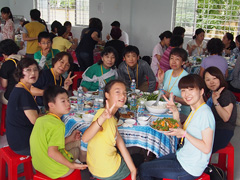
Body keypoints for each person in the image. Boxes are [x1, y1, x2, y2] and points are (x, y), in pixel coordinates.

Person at [139, 74, 215, 180]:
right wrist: (175, 111)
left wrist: (185, 134)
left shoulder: (205, 114)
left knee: (144, 169)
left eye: (191, 89)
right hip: (182, 156)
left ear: (201, 91)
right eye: (183, 90)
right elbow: (181, 131)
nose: (186, 94)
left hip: (189, 168)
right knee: (150, 165)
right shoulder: (196, 110)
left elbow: (206, 148)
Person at [82, 79, 137, 180]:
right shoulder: (102, 114)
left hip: (95, 168)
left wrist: (133, 170)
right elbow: (85, 138)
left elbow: (120, 144)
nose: (123, 96)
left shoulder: (112, 118)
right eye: (117, 92)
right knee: (139, 159)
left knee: (130, 157)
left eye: (125, 93)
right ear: (107, 95)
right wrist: (102, 117)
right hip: (108, 171)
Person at [30, 85, 88, 179]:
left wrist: (71, 138)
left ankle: (82, 164)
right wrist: (71, 165)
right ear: (51, 105)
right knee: (79, 147)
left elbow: (50, 144)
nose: (68, 104)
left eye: (68, 100)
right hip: (56, 170)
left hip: (38, 165)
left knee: (76, 141)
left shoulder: (41, 119)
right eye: (63, 101)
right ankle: (85, 168)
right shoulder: (58, 125)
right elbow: (52, 152)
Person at [6, 58, 40, 155]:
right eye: (28, 70)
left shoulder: (20, 88)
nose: (33, 73)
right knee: (62, 139)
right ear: (20, 72)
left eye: (35, 69)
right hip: (24, 144)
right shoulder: (23, 93)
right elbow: (36, 122)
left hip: (17, 139)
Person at [203, 67, 236, 153]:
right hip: (211, 129)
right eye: (208, 80)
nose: (212, 82)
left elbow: (226, 117)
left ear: (220, 78)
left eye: (215, 78)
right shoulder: (211, 94)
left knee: (199, 147)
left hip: (222, 131)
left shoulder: (226, 94)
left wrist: (215, 101)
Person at [157, 48, 190, 116]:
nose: (173, 62)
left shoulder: (186, 77)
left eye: (177, 59)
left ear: (183, 62)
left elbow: (188, 102)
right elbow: (160, 92)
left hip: (180, 112)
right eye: (171, 58)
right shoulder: (168, 73)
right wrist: (160, 81)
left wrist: (173, 97)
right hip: (165, 109)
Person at [0, 39, 21, 104]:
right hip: (26, 93)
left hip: (12, 96)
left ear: (4, 53)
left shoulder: (6, 64)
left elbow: (4, 85)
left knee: (1, 94)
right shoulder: (25, 59)